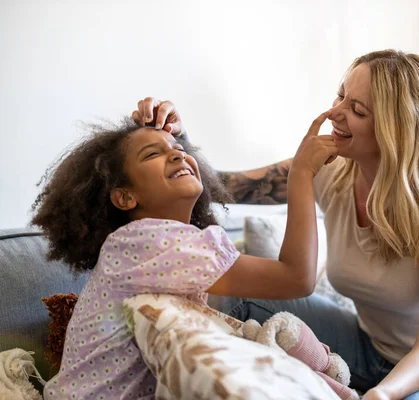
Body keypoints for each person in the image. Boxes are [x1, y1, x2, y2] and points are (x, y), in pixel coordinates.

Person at [135, 49, 419, 400]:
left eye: (356, 109)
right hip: (370, 347)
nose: (334, 114)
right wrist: (175, 141)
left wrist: (384, 394)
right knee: (239, 293)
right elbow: (225, 186)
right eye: (340, 96)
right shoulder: (331, 169)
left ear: (396, 129)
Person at [32, 114, 336, 399]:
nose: (178, 154)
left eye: (178, 148)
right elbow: (296, 279)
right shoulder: (147, 242)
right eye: (152, 154)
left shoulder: (156, 245)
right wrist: (302, 174)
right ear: (125, 196)